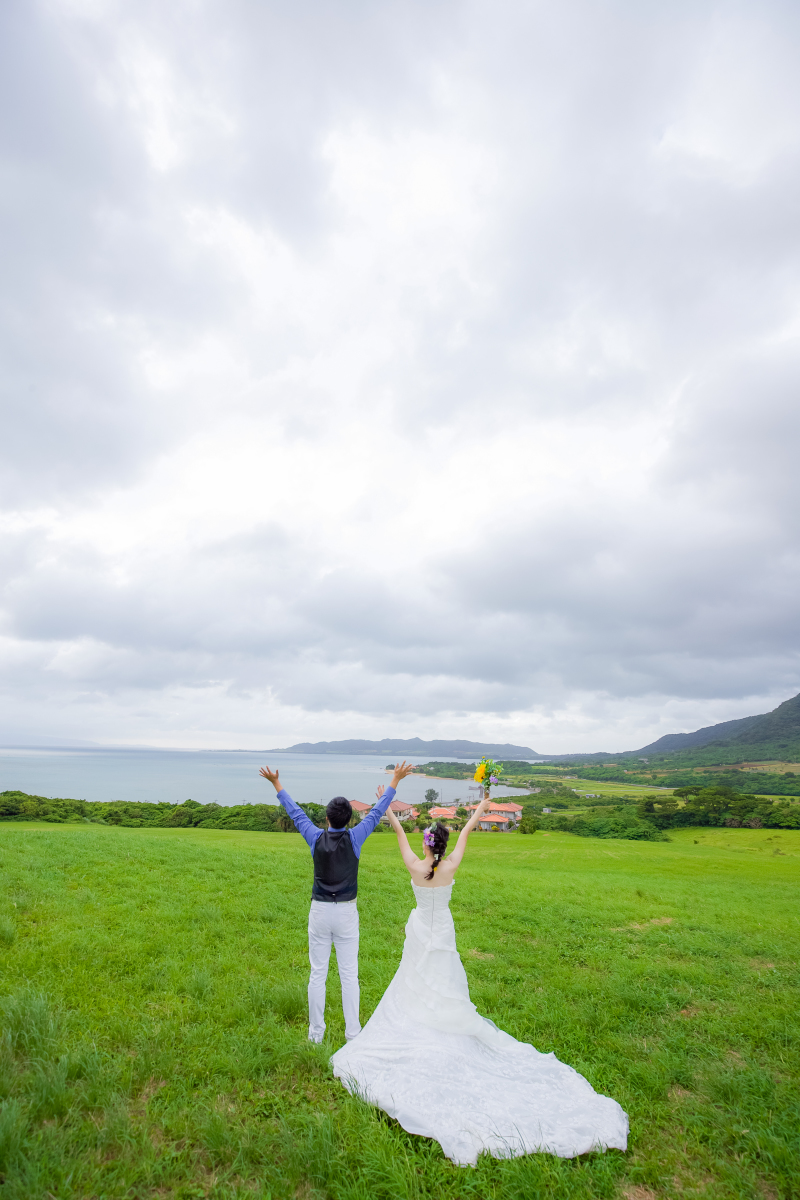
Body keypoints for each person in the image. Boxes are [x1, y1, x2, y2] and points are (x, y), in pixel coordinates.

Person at [331, 795, 629, 1166]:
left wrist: (388, 808)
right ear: (443, 845)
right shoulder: (450, 866)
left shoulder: (415, 867)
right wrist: (480, 810)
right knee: (444, 980)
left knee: (416, 978)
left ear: (427, 844)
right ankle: (442, 1020)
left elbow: (399, 834)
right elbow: (467, 832)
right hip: (442, 930)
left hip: (422, 930)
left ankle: (424, 1020)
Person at [259, 760, 415, 1044]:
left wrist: (276, 783)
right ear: (349, 819)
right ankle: (353, 1035)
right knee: (349, 975)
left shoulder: (314, 836)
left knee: (317, 974)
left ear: (327, 818)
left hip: (319, 911)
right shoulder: (355, 837)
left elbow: (295, 813)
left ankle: (315, 1035)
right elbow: (377, 811)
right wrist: (395, 780)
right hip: (346, 913)